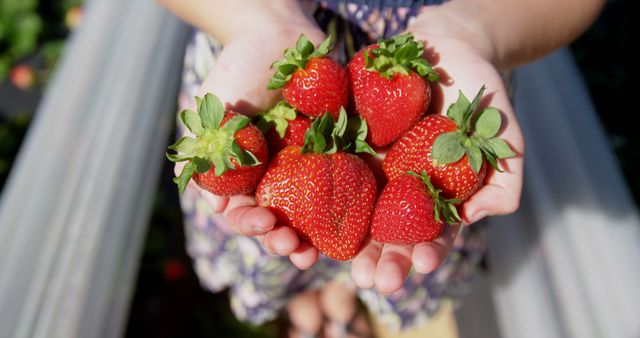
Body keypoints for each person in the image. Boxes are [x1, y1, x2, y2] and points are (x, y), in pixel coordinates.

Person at [158, 0, 604, 336]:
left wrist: (471, 31)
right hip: (273, 73)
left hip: (446, 81)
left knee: (357, 244)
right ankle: (312, 301)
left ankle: (338, 298)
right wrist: (261, 21)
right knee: (287, 236)